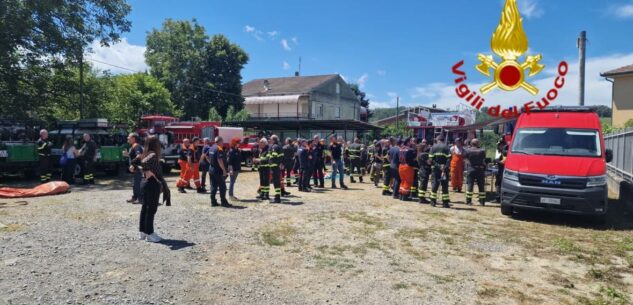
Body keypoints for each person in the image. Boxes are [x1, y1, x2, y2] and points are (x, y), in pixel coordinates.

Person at [136, 136, 168, 242]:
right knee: (151, 210)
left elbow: (135, 163)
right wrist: (146, 170)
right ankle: (150, 233)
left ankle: (143, 232)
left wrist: (143, 170)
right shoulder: (152, 154)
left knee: (145, 208)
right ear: (155, 144)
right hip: (152, 185)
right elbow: (143, 163)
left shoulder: (146, 153)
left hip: (145, 184)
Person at [463, 138, 487, 206]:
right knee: (481, 186)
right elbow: (484, 161)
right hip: (480, 169)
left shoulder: (468, 150)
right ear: (478, 143)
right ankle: (482, 202)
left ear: (471, 143)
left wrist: (470, 164)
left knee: (470, 185)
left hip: (471, 169)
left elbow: (465, 159)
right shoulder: (482, 151)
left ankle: (468, 201)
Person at [208, 136, 231, 207]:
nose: (223, 143)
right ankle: (223, 202)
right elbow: (219, 160)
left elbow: (209, 157)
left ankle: (213, 201)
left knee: (213, 186)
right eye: (222, 142)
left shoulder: (211, 148)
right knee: (222, 187)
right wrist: (224, 170)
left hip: (211, 169)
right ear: (220, 141)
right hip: (218, 171)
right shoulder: (219, 149)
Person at [430, 136, 451, 207]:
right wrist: (444, 167)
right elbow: (449, 159)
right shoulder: (447, 147)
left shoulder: (433, 147)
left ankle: (433, 202)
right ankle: (445, 203)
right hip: (444, 170)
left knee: (435, 185)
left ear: (437, 140)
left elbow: (431, 160)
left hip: (435, 170)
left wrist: (438, 166)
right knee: (445, 186)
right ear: (443, 140)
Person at [125, 133, 144, 204]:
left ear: (133, 138)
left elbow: (139, 156)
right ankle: (135, 197)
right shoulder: (133, 146)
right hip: (135, 168)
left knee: (137, 184)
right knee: (134, 184)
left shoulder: (136, 146)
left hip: (137, 168)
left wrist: (132, 164)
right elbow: (134, 156)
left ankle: (140, 199)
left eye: (129, 137)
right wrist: (128, 155)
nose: (127, 138)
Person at [269, 135, 284, 203]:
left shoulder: (274, 147)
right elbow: (281, 157)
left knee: (276, 182)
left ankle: (277, 198)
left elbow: (273, 157)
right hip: (277, 166)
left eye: (271, 139)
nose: (270, 140)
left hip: (274, 167)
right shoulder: (279, 146)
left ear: (274, 140)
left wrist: (270, 162)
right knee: (277, 181)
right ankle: (277, 197)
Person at [417, 139, 432, 204]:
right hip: (424, 170)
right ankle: (421, 198)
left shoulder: (419, 154)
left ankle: (421, 197)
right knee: (423, 184)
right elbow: (429, 162)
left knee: (422, 184)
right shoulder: (424, 154)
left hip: (421, 169)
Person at [495, 138, 508, 203]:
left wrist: (497, 161)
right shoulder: (502, 152)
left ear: (503, 145)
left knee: (499, 184)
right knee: (498, 184)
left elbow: (504, 162)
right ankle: (498, 197)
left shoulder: (505, 152)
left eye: (499, 145)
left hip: (503, 172)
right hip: (500, 171)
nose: (498, 146)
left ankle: (499, 198)